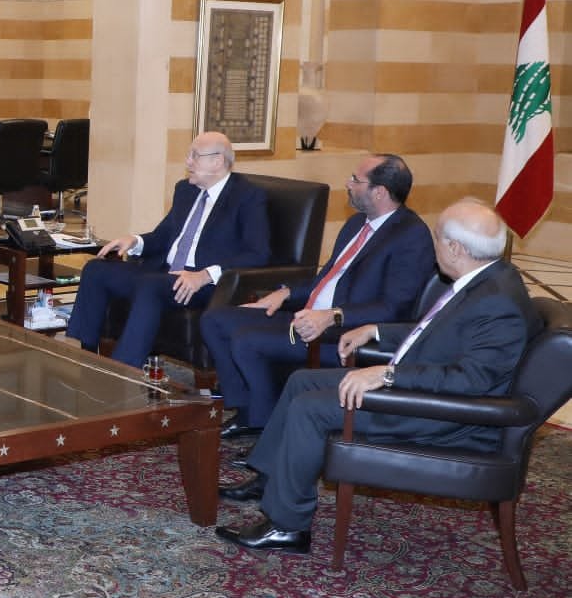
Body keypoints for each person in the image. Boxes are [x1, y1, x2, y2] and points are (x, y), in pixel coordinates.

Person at [215, 198, 541, 554]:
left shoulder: (498, 303)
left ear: (456, 248)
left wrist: (388, 375)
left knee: (311, 408)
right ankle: (272, 479)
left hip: (438, 414)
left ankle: (287, 526)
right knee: (303, 381)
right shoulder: (487, 279)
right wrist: (377, 330)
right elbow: (437, 334)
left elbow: (469, 381)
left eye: (437, 237)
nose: (433, 245)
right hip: (427, 391)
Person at [200, 154, 435, 438]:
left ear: (380, 192)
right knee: (215, 320)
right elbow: (326, 278)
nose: (348, 184)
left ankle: (263, 425)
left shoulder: (411, 236)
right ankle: (248, 407)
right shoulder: (356, 224)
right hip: (306, 316)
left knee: (246, 340)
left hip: (339, 334)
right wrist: (285, 293)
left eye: (356, 180)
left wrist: (333, 316)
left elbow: (394, 307)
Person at [65, 132, 271, 370]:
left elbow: (258, 254)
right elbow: (164, 236)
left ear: (217, 161)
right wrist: (135, 241)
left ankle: (123, 371)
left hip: (202, 284)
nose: (188, 161)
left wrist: (205, 275)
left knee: (150, 286)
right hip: (164, 273)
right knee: (96, 269)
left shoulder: (247, 197)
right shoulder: (186, 190)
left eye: (195, 156)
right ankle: (86, 358)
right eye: (188, 155)